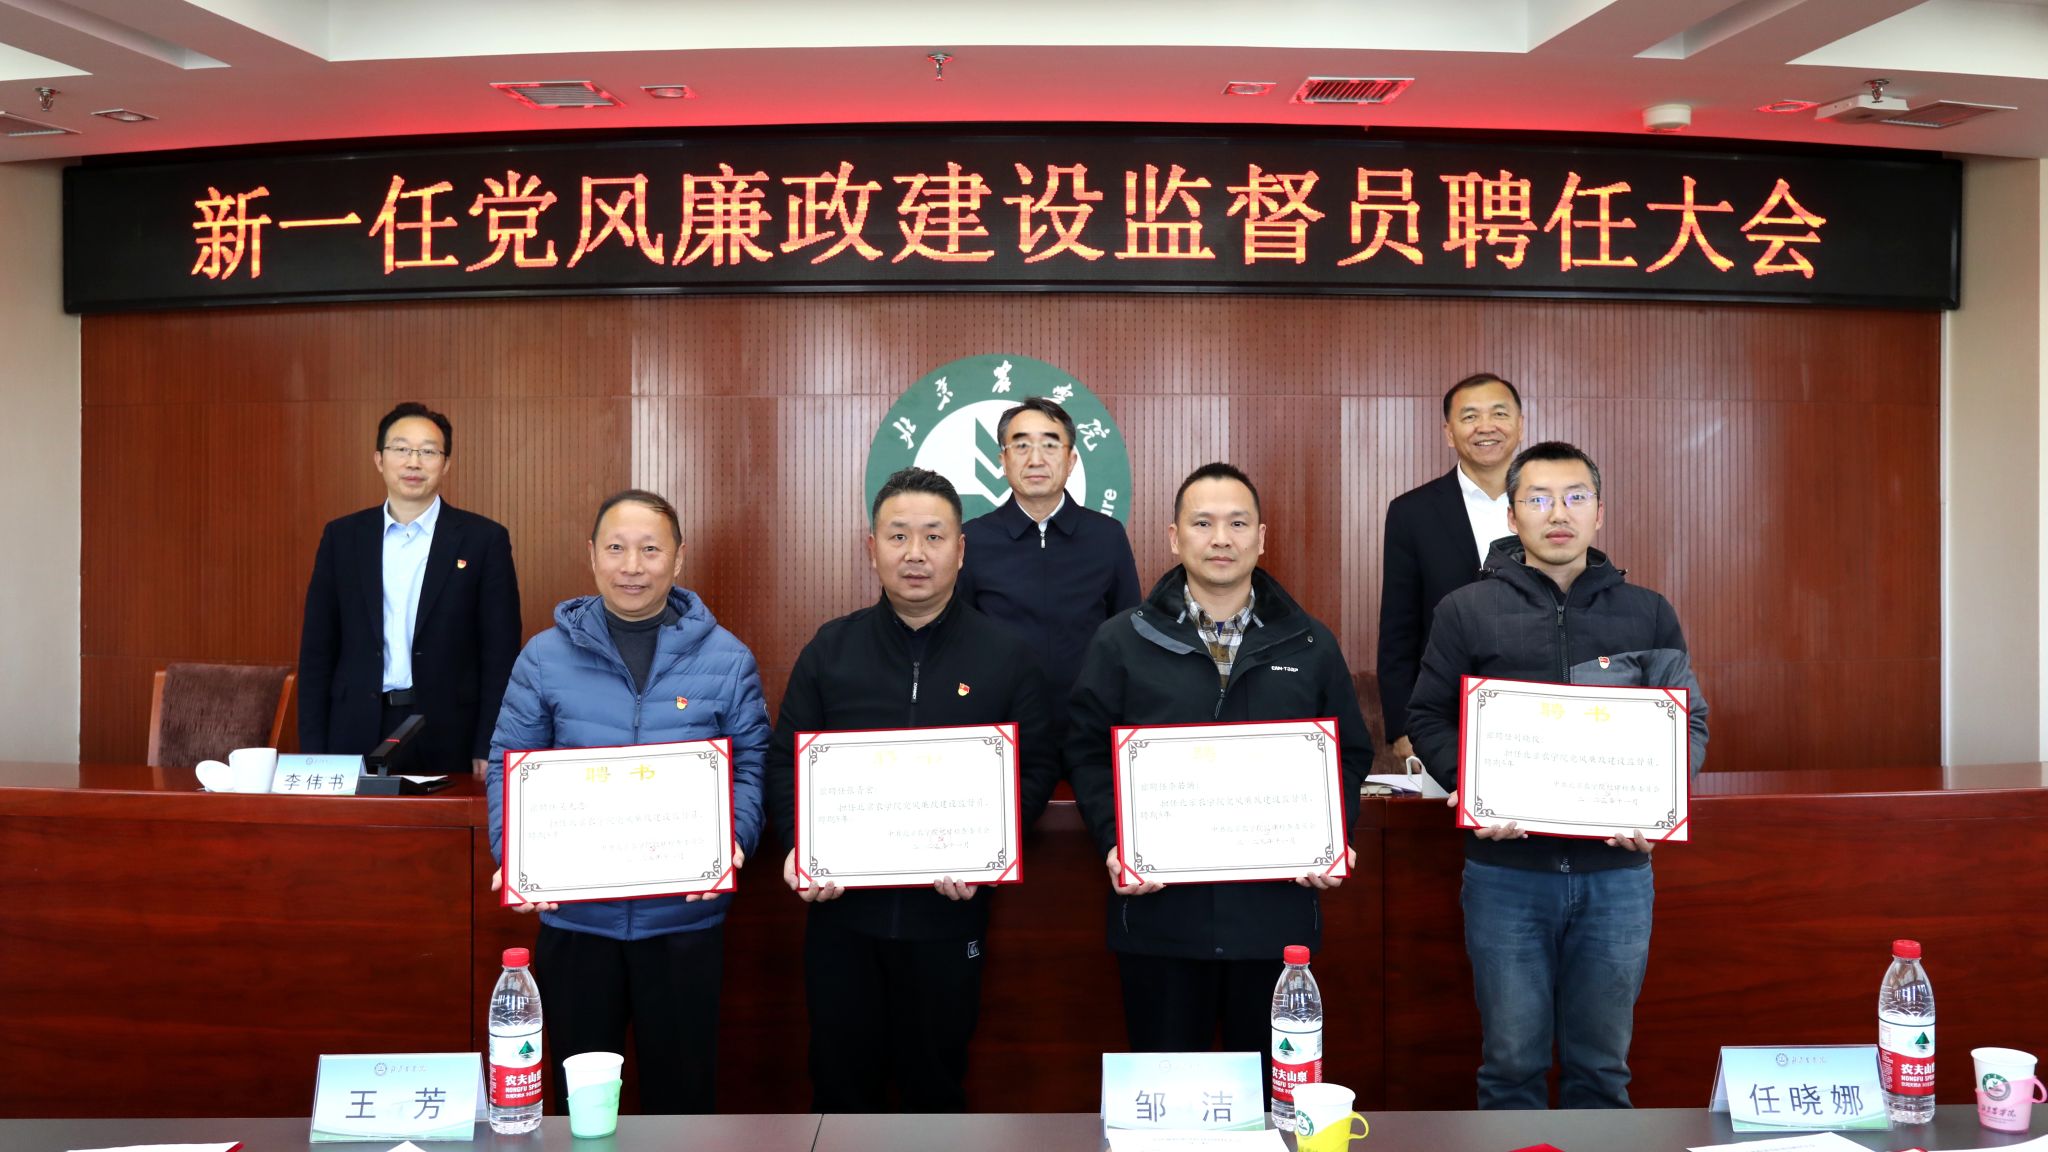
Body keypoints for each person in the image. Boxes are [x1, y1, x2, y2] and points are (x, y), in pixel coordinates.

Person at [1405, 441, 1709, 1110]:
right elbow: (1427, 715)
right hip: (1506, 874)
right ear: (1512, 516)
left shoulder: (1648, 612)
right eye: (1538, 499)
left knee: (1602, 1069)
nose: (1558, 513)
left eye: (1575, 497)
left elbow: (1687, 723)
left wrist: (1659, 805)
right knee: (1510, 1065)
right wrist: (1472, 787)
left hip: (1617, 875)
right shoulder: (1466, 610)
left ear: (1600, 511)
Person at [1066, 462, 1369, 1090]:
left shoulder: (1309, 643)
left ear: (1262, 537)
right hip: (1160, 922)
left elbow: (1348, 753)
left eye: (1237, 523)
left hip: (1274, 927)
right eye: (1202, 524)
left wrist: (1331, 838)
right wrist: (1115, 842)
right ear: (1174, 538)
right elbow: (1088, 751)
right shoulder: (1121, 641)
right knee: (1168, 1105)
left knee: (1275, 1109)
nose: (1221, 539)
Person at [768, 466, 1059, 1113]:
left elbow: (1037, 767)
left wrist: (988, 852)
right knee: (840, 1089)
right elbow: (786, 762)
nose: (916, 553)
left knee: (936, 1089)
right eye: (898, 536)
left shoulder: (1005, 656)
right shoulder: (831, 650)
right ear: (871, 548)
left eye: (934, 536)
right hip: (843, 918)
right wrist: (799, 848)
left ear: (961, 549)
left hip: (948, 916)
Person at [485, 489, 769, 1114]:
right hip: (578, 923)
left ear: (679, 557)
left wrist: (735, 840)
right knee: (582, 1106)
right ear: (592, 555)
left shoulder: (727, 659)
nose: (632, 566)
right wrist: (515, 856)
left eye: (650, 550)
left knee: (683, 1101)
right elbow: (509, 764)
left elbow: (751, 765)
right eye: (616, 548)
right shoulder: (544, 657)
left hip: (684, 923)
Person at [298, 401, 522, 775]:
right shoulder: (342, 538)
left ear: (446, 464)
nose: (413, 462)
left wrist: (489, 743)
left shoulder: (484, 540)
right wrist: (313, 748)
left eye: (428, 452)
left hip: (448, 731)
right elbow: (317, 651)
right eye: (401, 449)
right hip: (353, 728)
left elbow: (500, 655)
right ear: (379, 459)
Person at [959, 396, 1140, 740]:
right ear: (1003, 460)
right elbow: (960, 639)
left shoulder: (1107, 536)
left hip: (1091, 731)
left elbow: (1128, 633)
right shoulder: (973, 540)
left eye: (1050, 445)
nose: (1036, 459)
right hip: (1003, 731)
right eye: (1021, 445)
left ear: (1071, 461)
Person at [1377, 373, 1525, 772]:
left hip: (1535, 713)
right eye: (1470, 416)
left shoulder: (1548, 504)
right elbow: (1398, 628)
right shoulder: (1412, 512)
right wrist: (1403, 727)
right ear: (1449, 432)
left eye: (1499, 414)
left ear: (1520, 425)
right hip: (1443, 718)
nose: (1486, 426)